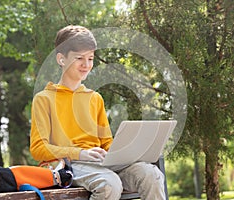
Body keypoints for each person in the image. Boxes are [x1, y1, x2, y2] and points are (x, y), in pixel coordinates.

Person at [29, 25, 166, 200]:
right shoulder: (44, 98)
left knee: (151, 174)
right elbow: (39, 149)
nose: (86, 65)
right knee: (109, 185)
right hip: (68, 165)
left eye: (90, 58)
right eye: (79, 58)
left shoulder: (95, 98)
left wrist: (126, 151)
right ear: (61, 59)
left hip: (100, 164)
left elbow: (106, 143)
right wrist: (80, 153)